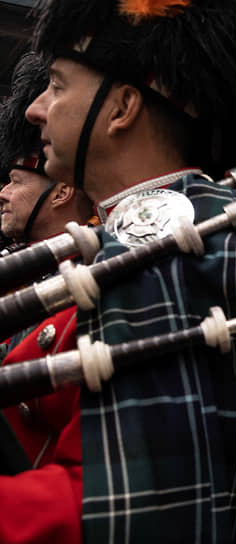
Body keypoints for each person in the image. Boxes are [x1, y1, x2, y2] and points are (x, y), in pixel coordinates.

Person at [23, 1, 236, 541]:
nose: (36, 108)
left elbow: (133, 513)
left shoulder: (164, 254)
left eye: (56, 85)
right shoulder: (224, 233)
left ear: (123, 107)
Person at [0, 51, 95, 544]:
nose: (2, 192)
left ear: (60, 194)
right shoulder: (26, 272)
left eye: (15, 181)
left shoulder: (95, 279)